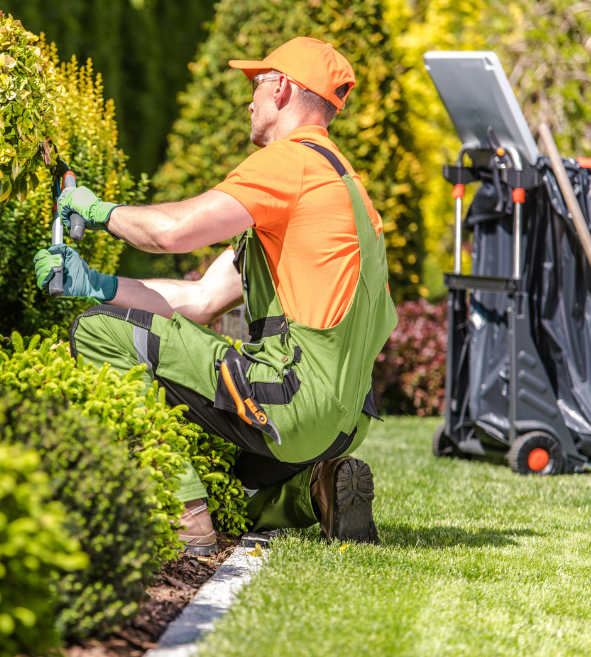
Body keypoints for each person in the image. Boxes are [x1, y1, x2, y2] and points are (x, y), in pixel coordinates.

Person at [33, 37, 398, 554]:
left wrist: (97, 211)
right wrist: (95, 284)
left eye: (256, 84)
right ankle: (314, 491)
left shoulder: (290, 163)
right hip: (342, 423)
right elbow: (202, 299)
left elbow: (171, 233)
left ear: (283, 89)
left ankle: (182, 517)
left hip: (292, 400)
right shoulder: (342, 187)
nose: (248, 99)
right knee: (223, 474)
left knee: (96, 331)